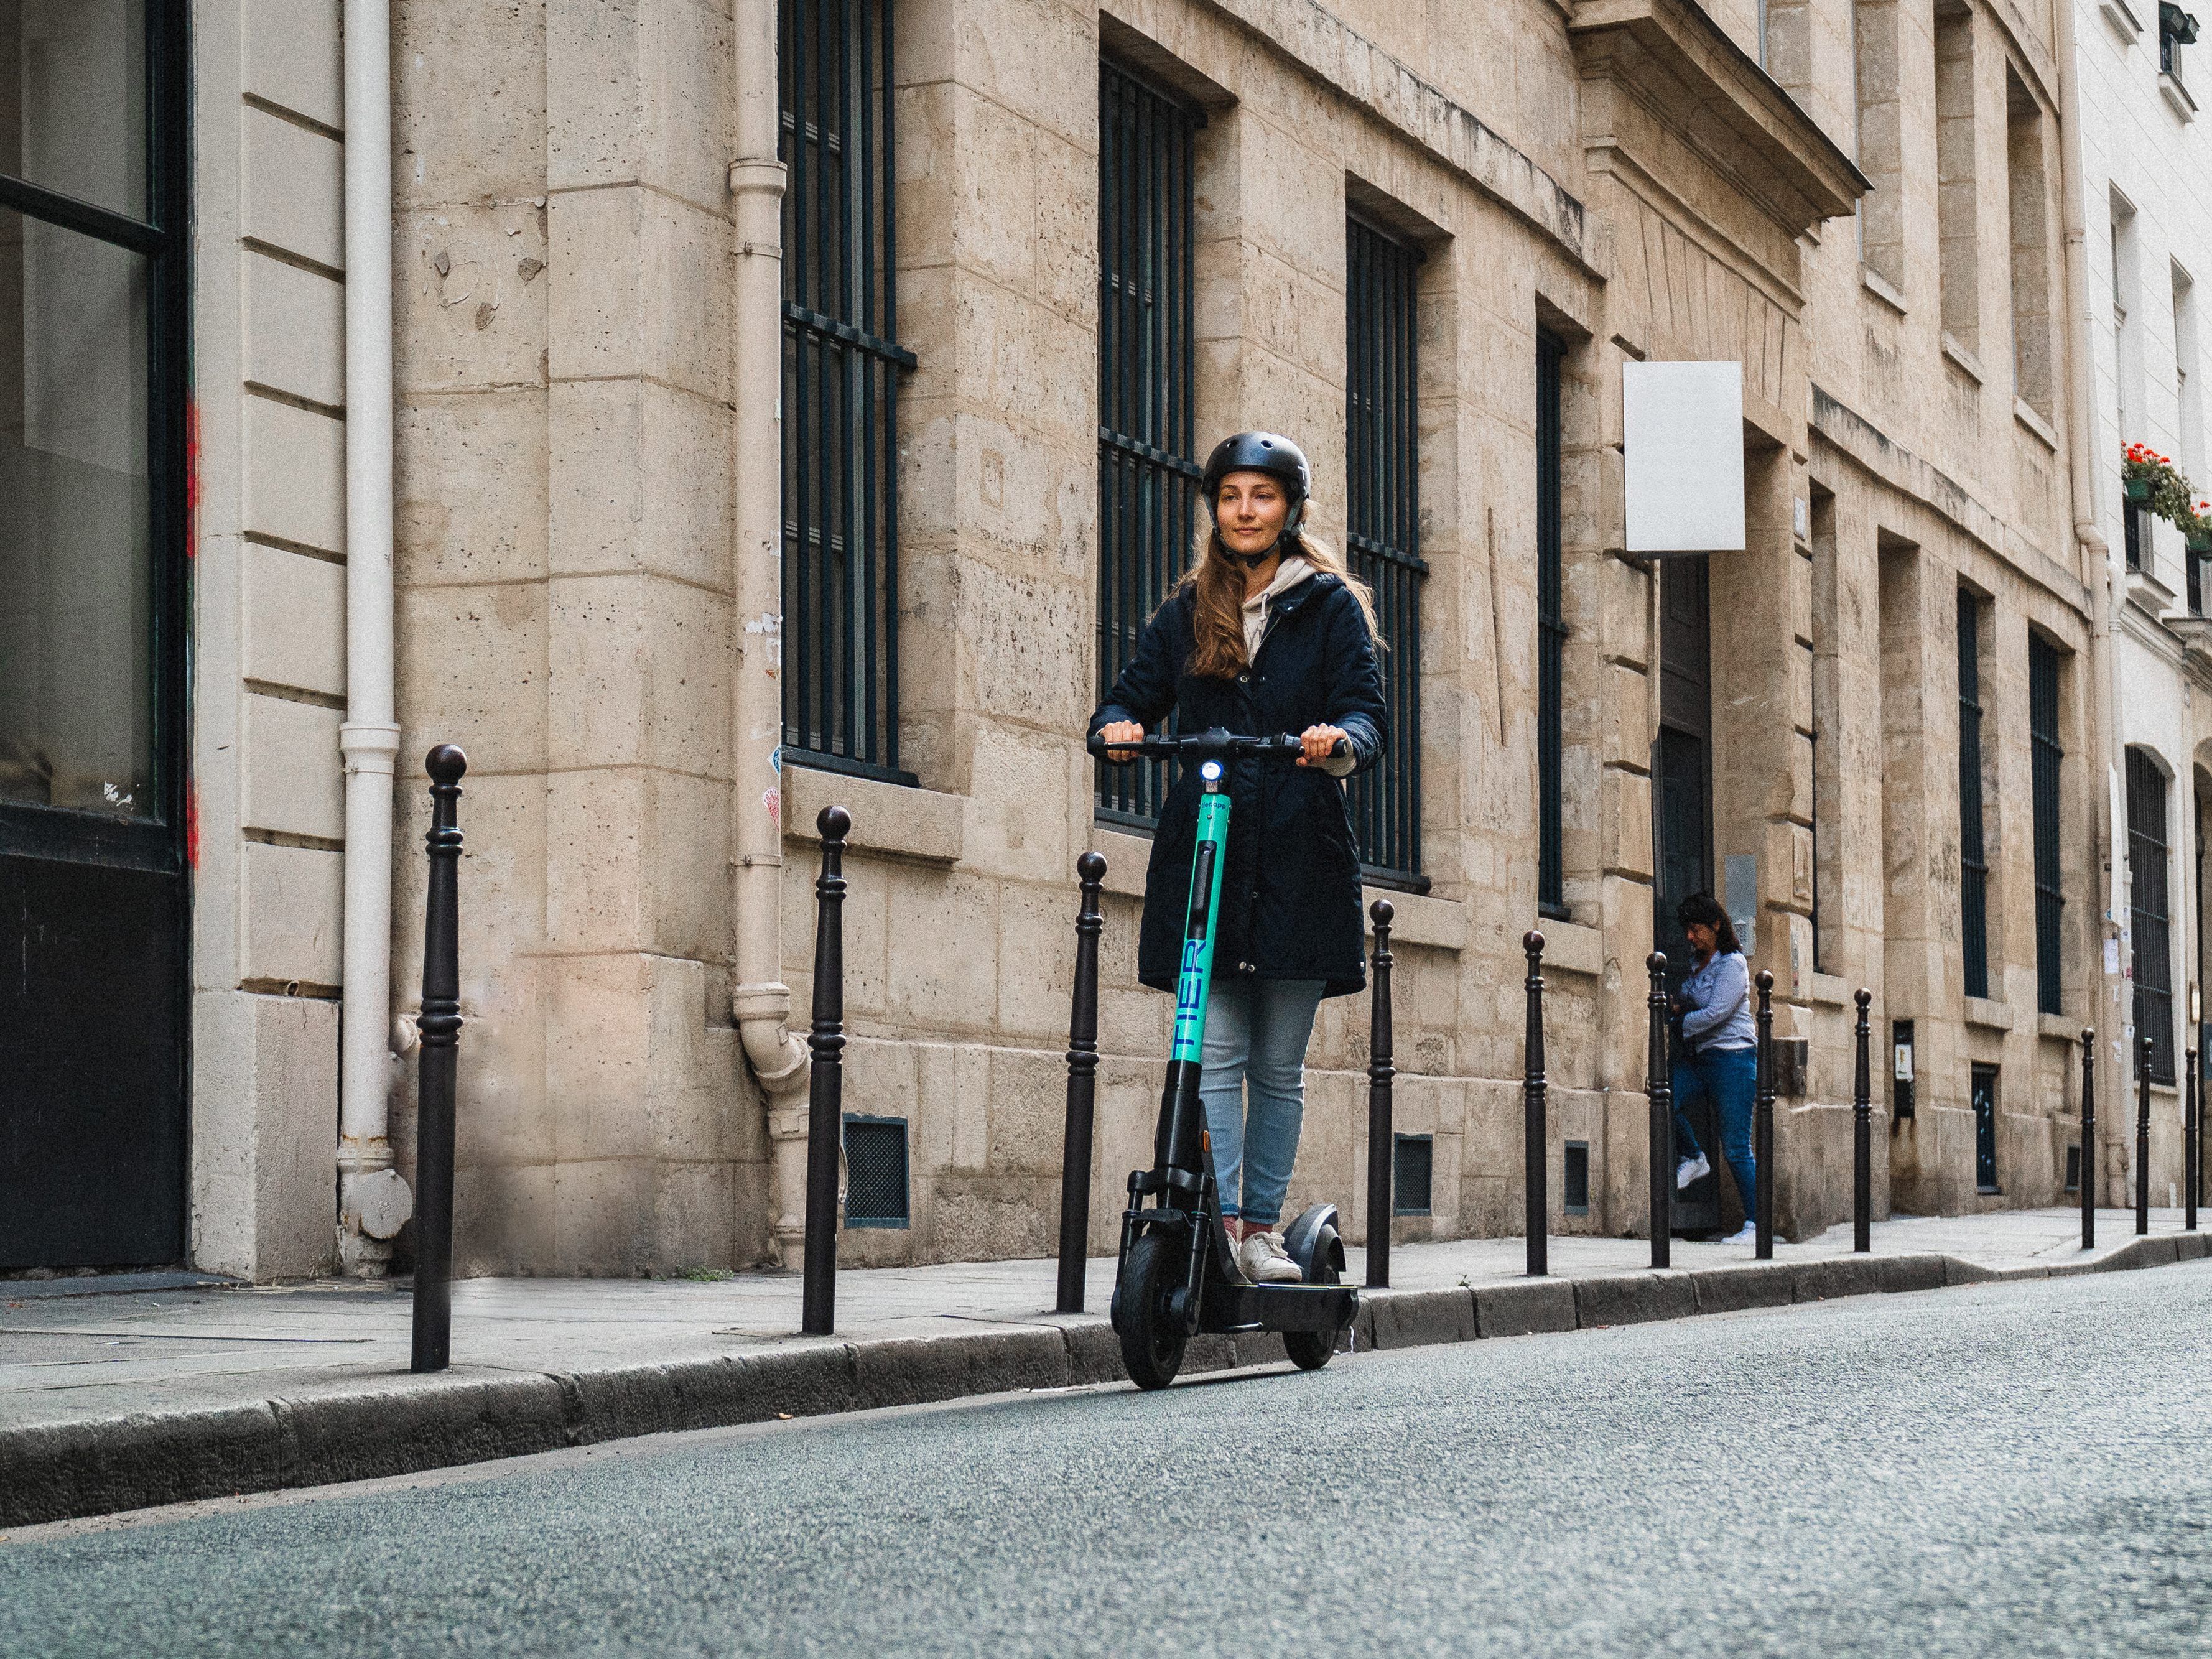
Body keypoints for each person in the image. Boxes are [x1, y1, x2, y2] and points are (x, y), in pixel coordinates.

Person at [1089, 432, 1387, 1284]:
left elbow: (1366, 714)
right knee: (1212, 1049)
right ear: (1216, 509)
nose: (1245, 511)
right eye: (1231, 497)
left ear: (1290, 508)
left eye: (1261, 496)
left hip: (1300, 854)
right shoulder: (1188, 607)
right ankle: (1218, 1224)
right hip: (1207, 853)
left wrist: (1341, 740)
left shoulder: (1328, 605)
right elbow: (1131, 693)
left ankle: (1260, 1226)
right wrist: (1118, 726)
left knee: (1276, 1064)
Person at [1670, 893, 1759, 1245]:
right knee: (1665, 1098)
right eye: (1687, 931)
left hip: (1734, 1060)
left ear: (1716, 925)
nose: (1690, 937)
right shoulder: (1696, 965)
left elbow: (1716, 1013)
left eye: (1696, 929)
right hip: (1703, 1058)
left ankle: (1756, 1224)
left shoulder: (1733, 965)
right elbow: (1693, 1003)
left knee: (1737, 1146)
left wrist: (1679, 1023)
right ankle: (1694, 1156)